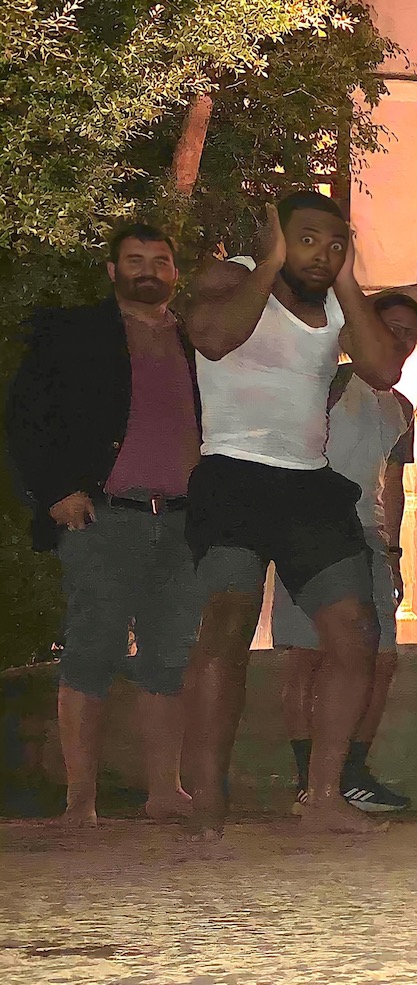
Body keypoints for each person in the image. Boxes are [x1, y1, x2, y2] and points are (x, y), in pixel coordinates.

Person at [181, 190, 409, 837]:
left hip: (309, 482)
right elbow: (215, 337)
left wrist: (346, 278)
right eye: (308, 238)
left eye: (336, 242)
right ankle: (207, 803)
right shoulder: (230, 277)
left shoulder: (336, 301)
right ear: (276, 234)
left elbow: (383, 366)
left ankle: (324, 793)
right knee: (226, 623)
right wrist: (268, 263)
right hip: (233, 473)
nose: (323, 252)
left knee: (354, 633)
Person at [7, 223, 201, 827]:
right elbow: (24, 419)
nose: (148, 270)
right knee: (92, 652)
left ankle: (165, 791)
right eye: (135, 260)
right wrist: (54, 492)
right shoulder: (75, 332)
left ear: (175, 273)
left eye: (160, 260)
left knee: (169, 658)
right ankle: (80, 802)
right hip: (105, 517)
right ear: (113, 270)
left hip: (182, 522)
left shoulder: (197, 339)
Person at [271, 294, 417, 815]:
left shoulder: (401, 408)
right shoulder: (332, 382)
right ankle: (307, 777)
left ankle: (350, 772)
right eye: (390, 328)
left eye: (408, 332)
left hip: (369, 536)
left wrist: (395, 549)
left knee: (381, 660)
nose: (399, 340)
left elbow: (393, 484)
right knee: (308, 657)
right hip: (309, 526)